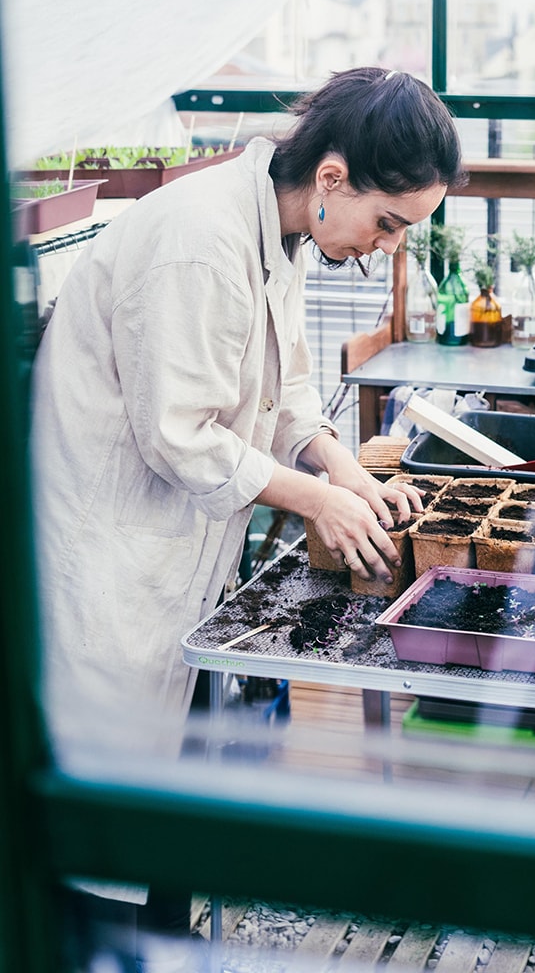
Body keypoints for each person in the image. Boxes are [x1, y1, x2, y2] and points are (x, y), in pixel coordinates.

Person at [30, 66, 465, 763]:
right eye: (388, 224)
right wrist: (318, 503)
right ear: (331, 178)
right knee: (102, 788)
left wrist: (349, 477)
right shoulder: (200, 242)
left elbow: (287, 392)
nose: (389, 248)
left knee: (154, 779)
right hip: (111, 549)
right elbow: (179, 437)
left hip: (174, 545)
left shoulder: (280, 231)